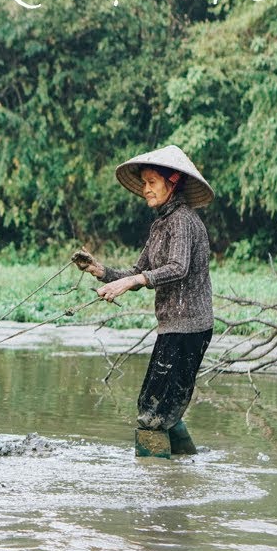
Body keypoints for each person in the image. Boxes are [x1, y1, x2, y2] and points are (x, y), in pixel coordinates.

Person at [72, 145, 214, 457]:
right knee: (162, 408)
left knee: (151, 412)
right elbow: (138, 271)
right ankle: (184, 472)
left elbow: (178, 268)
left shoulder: (183, 220)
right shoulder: (160, 224)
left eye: (152, 182)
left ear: (172, 181)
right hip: (173, 326)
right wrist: (100, 271)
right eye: (145, 183)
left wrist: (134, 281)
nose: (146, 189)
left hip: (190, 327)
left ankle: (155, 491)